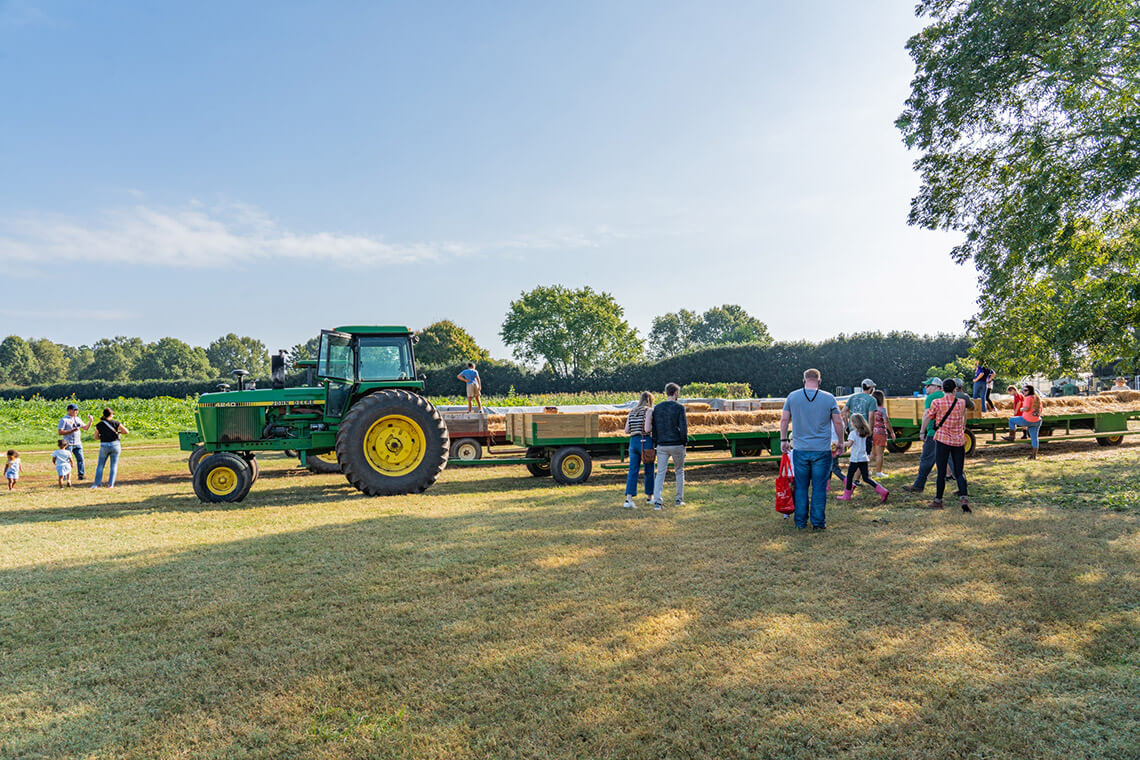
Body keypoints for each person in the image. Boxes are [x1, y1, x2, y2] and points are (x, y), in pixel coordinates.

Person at [781, 368, 845, 530]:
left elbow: (784, 420)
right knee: (819, 487)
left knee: (801, 486)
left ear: (804, 380)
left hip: (800, 449)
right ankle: (818, 522)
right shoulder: (829, 398)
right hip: (822, 451)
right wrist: (841, 442)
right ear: (819, 381)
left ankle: (800, 522)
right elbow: (838, 422)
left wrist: (783, 440)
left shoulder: (792, 397)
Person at [920, 379, 972, 512]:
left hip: (942, 440)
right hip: (958, 440)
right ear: (955, 389)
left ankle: (938, 501)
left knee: (941, 472)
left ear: (942, 389)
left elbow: (930, 416)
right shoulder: (961, 403)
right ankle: (964, 498)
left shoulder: (937, 402)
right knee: (959, 472)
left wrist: (923, 431)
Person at [836, 413, 889, 503]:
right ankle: (883, 491)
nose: (850, 423)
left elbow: (849, 444)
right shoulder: (864, 433)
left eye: (851, 421)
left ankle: (846, 496)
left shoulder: (853, 433)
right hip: (863, 458)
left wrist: (839, 443)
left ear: (854, 423)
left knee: (849, 477)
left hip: (855, 459)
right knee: (866, 478)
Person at [651, 382, 687, 510]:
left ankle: (657, 502)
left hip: (662, 444)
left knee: (660, 473)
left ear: (667, 392)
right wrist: (684, 442)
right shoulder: (679, 408)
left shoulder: (658, 408)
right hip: (677, 443)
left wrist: (656, 442)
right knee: (679, 471)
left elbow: (654, 428)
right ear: (676, 393)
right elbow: (683, 427)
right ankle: (678, 500)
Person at [622, 391, 656, 508]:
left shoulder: (632, 411)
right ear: (650, 401)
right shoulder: (649, 411)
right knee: (649, 470)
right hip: (645, 441)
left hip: (633, 443)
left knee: (633, 470)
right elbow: (647, 429)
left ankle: (629, 499)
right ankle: (650, 497)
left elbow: (626, 430)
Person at [1002, 384, 1043, 459]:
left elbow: (1026, 408)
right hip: (1037, 420)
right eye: (1023, 390)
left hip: (1027, 420)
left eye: (1025, 390)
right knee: (1034, 438)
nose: (1023, 392)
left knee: (1011, 420)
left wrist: (1021, 409)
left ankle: (1012, 436)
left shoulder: (1028, 398)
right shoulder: (1037, 398)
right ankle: (1034, 456)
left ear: (1030, 391)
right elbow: (1041, 409)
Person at [91, 408, 129, 489]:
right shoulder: (116, 423)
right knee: (113, 466)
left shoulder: (99, 424)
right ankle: (110, 484)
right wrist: (118, 433)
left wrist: (102, 437)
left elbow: (95, 437)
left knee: (100, 465)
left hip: (104, 445)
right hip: (115, 445)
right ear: (111, 415)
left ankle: (97, 484)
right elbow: (126, 431)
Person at [843, 379, 878, 461]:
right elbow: (871, 417)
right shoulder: (872, 400)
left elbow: (843, 412)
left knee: (855, 452)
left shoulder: (852, 397)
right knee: (865, 454)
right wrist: (871, 430)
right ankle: (862, 471)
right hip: (865, 430)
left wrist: (847, 426)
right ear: (871, 387)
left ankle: (858, 471)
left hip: (853, 429)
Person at [57, 403, 93, 481]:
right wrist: (71, 431)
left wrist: (91, 421)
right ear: (69, 411)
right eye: (74, 410)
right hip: (67, 443)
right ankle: (65, 476)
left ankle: (81, 475)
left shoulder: (78, 419)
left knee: (80, 459)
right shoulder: (64, 420)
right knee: (66, 460)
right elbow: (60, 432)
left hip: (78, 443)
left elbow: (85, 428)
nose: (76, 412)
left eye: (76, 410)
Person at [870, 389, 895, 477]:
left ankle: (863, 470)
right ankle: (879, 472)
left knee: (872, 453)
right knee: (880, 454)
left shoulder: (870, 409)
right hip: (880, 433)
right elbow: (886, 421)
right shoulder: (882, 409)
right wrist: (892, 432)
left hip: (871, 432)